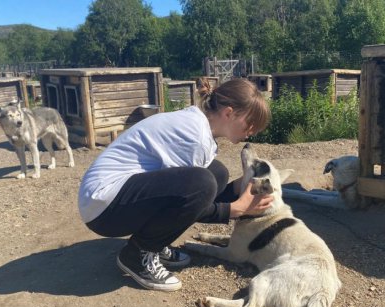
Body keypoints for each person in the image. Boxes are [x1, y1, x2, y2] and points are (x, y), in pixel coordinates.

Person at [77, 77, 272, 292]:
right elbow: (191, 200)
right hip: (104, 209)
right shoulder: (195, 137)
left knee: (216, 173)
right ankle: (138, 254)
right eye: (250, 124)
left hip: (111, 197)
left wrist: (236, 190)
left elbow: (190, 198)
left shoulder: (198, 125)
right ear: (228, 113)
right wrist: (236, 209)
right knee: (204, 181)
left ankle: (154, 244)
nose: (252, 132)